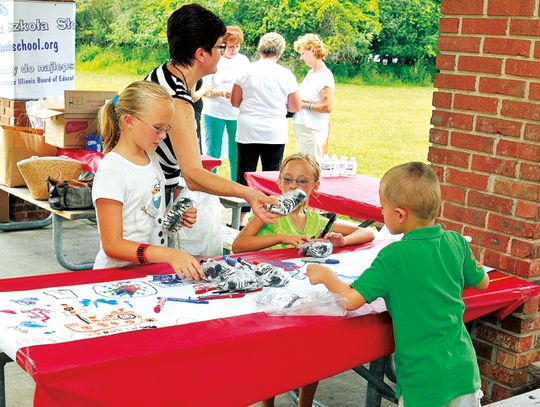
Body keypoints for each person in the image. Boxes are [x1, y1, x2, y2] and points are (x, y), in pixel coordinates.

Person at [306, 162, 490, 407]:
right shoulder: (457, 241)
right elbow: (482, 282)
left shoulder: (393, 256)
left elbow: (351, 300)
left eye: (383, 208)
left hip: (422, 377)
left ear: (400, 214)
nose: (381, 213)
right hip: (463, 370)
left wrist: (325, 275)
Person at [145, 4, 276, 222]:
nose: (222, 54)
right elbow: (194, 175)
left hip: (155, 193)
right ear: (201, 54)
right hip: (152, 204)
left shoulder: (163, 73)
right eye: (219, 47)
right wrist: (248, 192)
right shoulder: (178, 100)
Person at [92, 81, 204, 280]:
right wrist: (170, 254)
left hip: (148, 274)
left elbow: (146, 213)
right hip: (115, 277)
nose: (162, 136)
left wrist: (174, 216)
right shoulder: (112, 170)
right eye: (157, 128)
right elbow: (112, 245)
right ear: (128, 121)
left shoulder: (151, 158)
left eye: (166, 129)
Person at [233, 153, 375, 254]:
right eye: (287, 179)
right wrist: (280, 238)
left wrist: (343, 242)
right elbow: (239, 245)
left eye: (302, 181)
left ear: (315, 186)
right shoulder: (270, 211)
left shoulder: (316, 221)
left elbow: (367, 232)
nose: (294, 186)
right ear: (279, 182)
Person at [231, 32, 301, 190]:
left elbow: (235, 101)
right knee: (272, 175)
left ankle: (242, 214)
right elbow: (295, 106)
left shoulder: (245, 71)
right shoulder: (285, 74)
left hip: (248, 129)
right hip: (273, 129)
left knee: (244, 173)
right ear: (280, 52)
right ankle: (270, 212)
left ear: (260, 49)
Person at [202, 26, 250, 181]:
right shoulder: (214, 59)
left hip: (236, 113)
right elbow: (206, 90)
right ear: (223, 45)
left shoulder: (243, 61)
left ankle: (235, 185)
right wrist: (222, 93)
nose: (234, 50)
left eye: (237, 46)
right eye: (230, 46)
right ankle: (211, 186)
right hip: (214, 112)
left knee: (236, 152)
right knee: (213, 152)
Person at [292, 34, 335, 163]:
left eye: (303, 53)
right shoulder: (311, 72)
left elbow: (327, 106)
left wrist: (304, 105)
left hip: (313, 130)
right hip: (302, 127)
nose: (301, 57)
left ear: (313, 51)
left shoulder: (324, 76)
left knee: (311, 166)